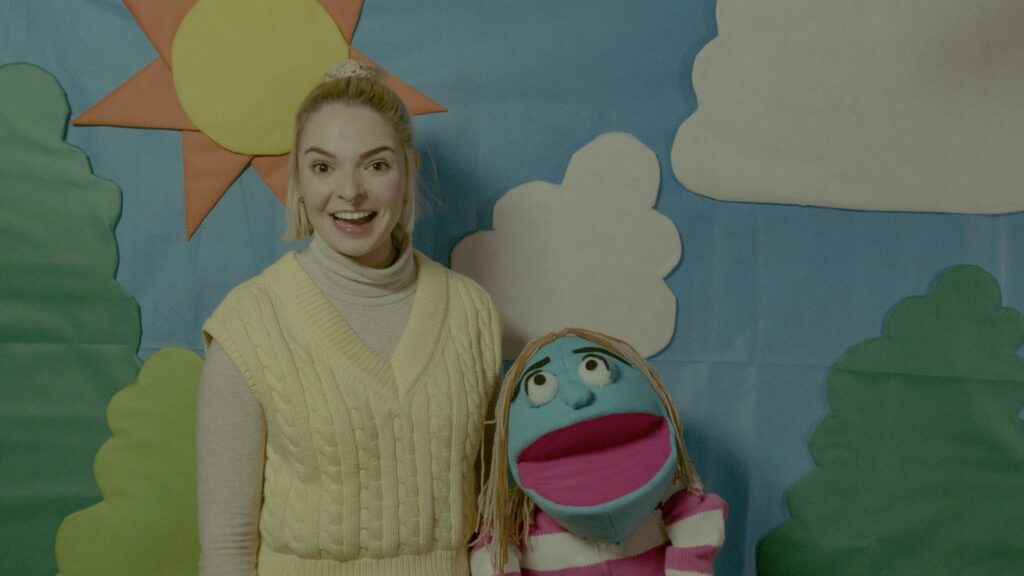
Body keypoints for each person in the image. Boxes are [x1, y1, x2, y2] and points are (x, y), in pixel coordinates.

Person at [196, 60, 502, 576]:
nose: (350, 191)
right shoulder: (249, 324)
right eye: (323, 167)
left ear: (410, 170)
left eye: (376, 165)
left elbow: (494, 526)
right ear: (297, 178)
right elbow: (227, 551)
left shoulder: (472, 313)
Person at [472, 328, 726, 575]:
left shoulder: (668, 494)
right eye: (540, 383)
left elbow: (697, 523)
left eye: (593, 366)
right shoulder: (517, 517)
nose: (576, 397)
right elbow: (493, 555)